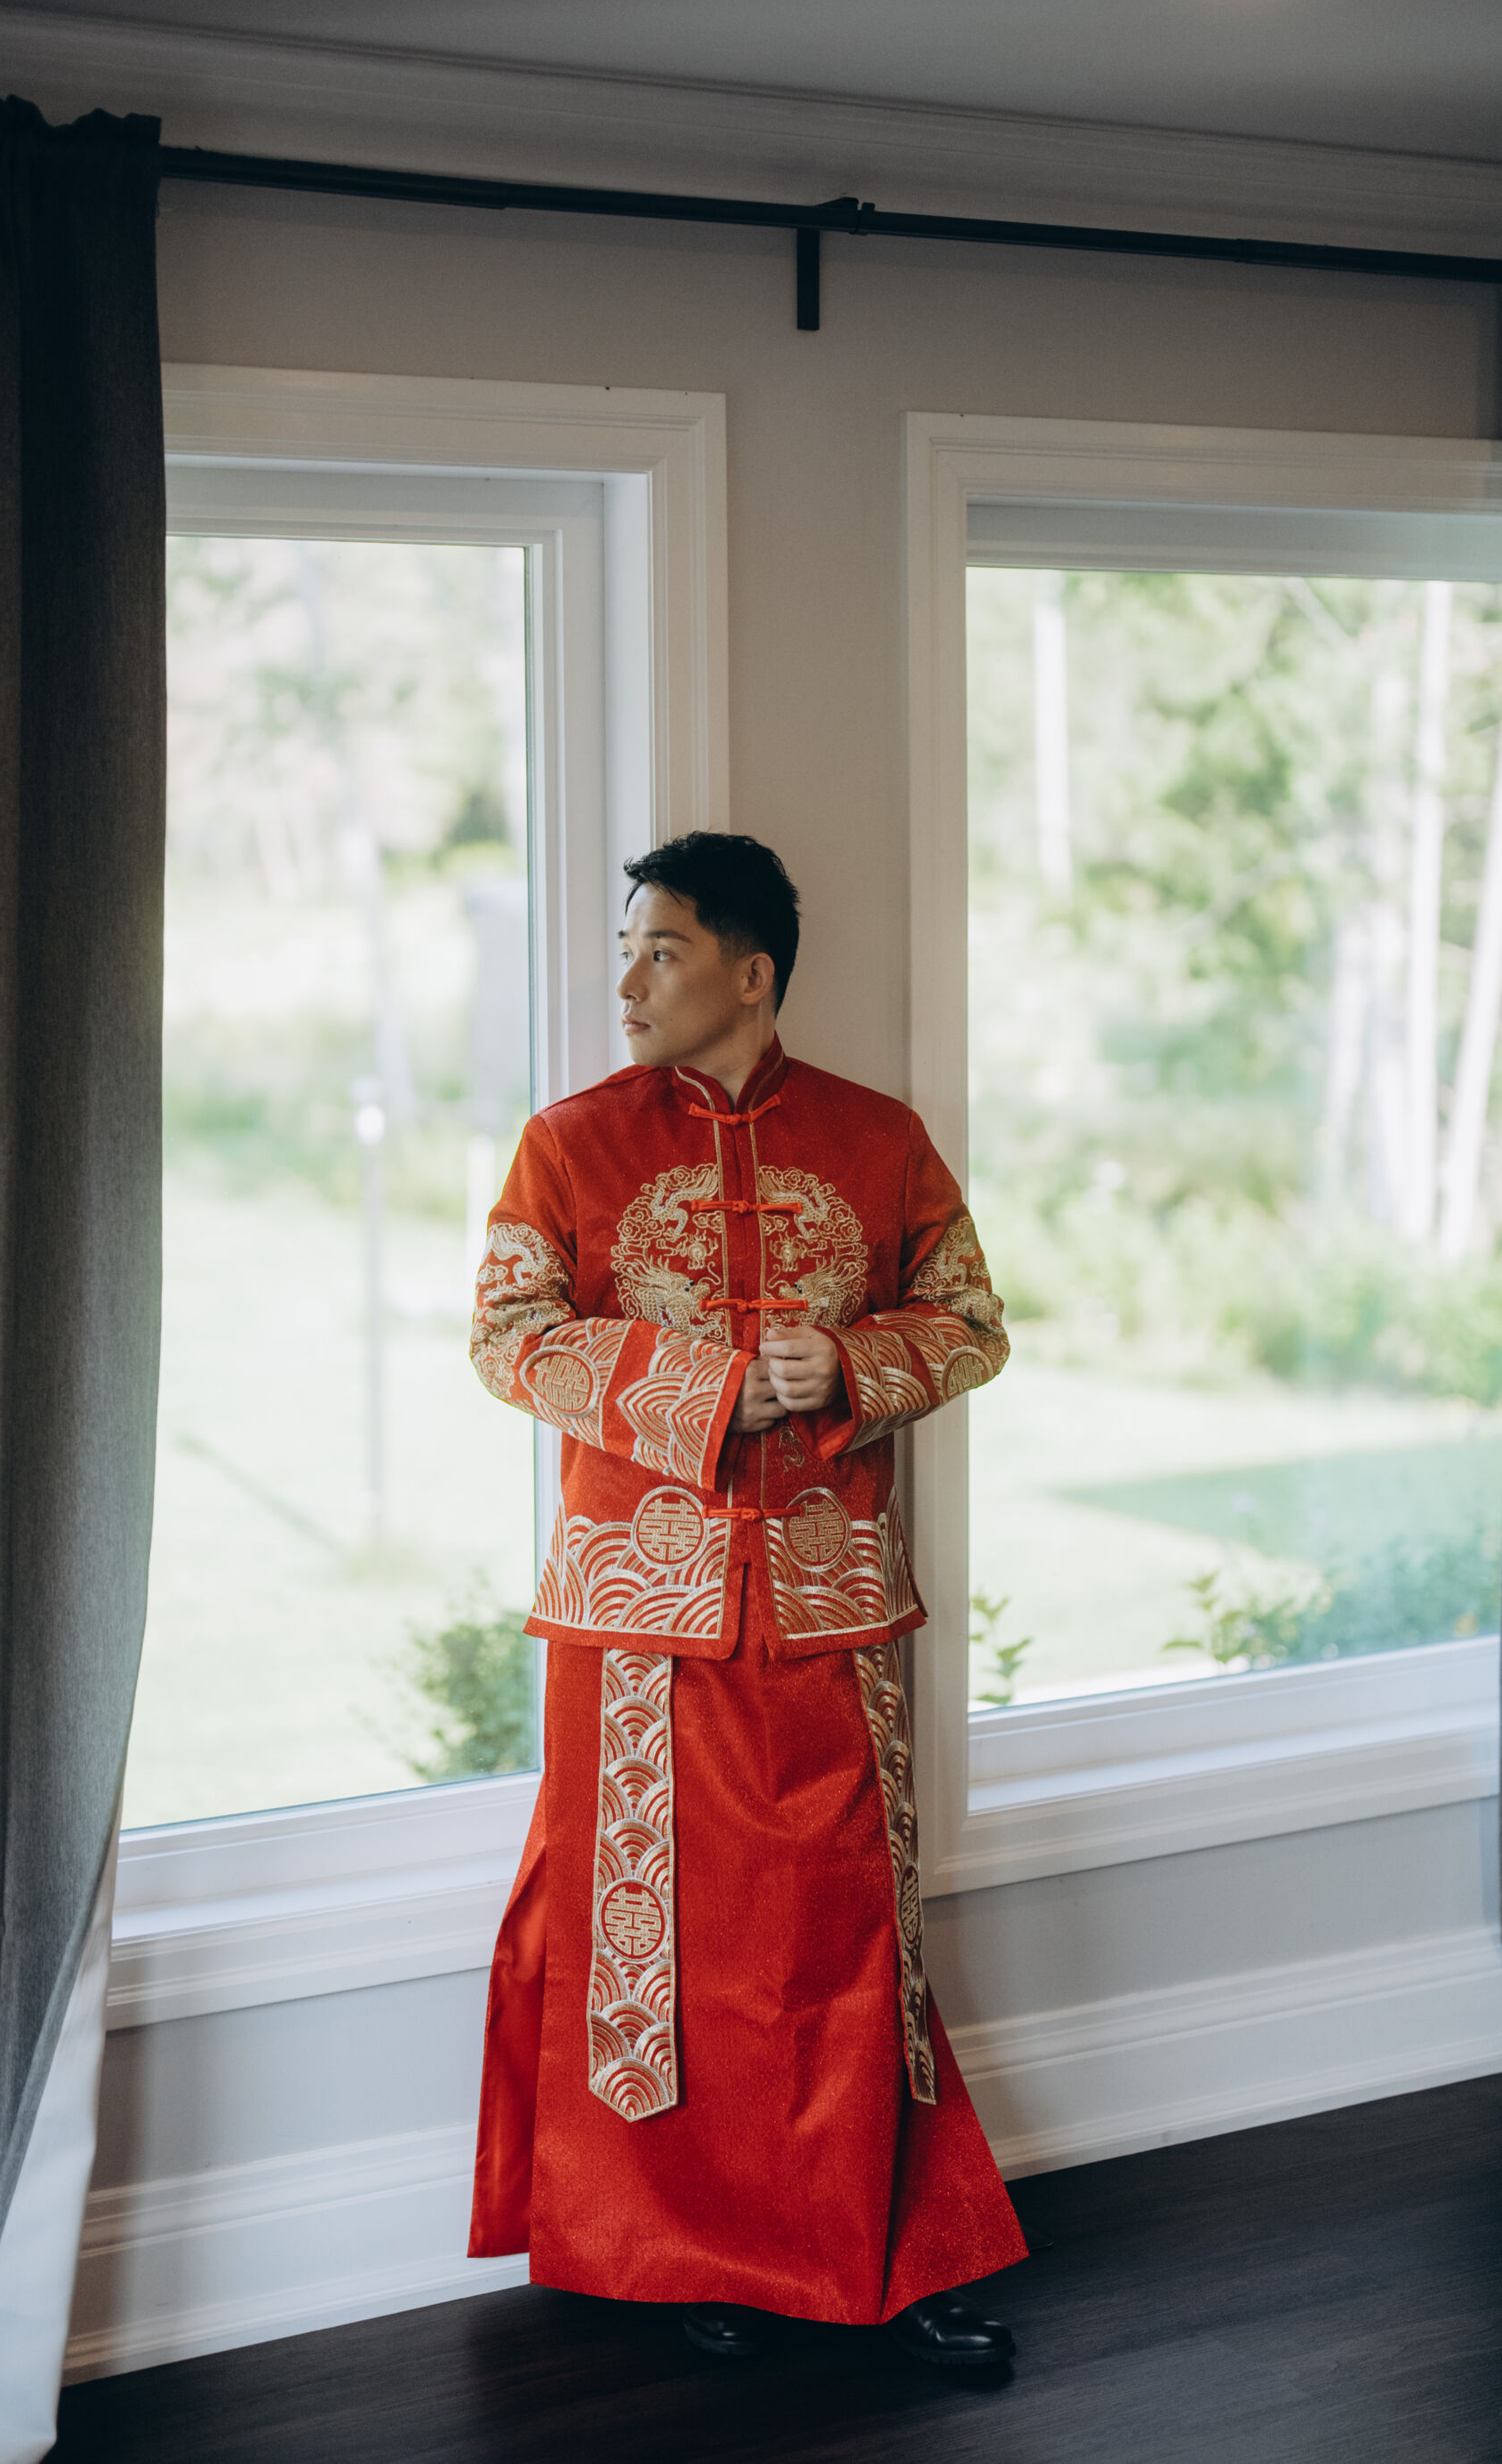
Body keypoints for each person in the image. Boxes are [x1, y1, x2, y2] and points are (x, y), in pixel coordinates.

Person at [466, 830, 1025, 2370]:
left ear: (751, 971)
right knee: (660, 1947)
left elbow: (971, 1321)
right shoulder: (566, 1145)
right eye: (625, 950)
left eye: (662, 950)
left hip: (830, 1600)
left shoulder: (879, 1139)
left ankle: (884, 2247)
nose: (629, 982)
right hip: (636, 1619)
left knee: (845, 1935)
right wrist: (707, 1390)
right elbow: (507, 1336)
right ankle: (684, 2249)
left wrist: (845, 1366)